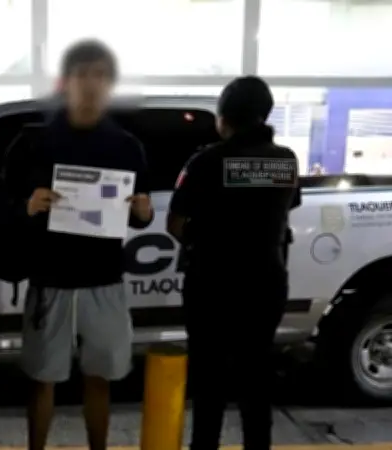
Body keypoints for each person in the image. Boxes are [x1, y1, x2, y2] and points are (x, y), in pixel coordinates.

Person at [0, 40, 153, 450]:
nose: (90, 83)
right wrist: (27, 205)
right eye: (82, 74)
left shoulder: (126, 147)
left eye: (99, 75)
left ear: (110, 83)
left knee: (100, 378)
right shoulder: (33, 143)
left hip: (104, 279)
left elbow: (140, 212)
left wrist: (143, 213)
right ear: (66, 82)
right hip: (50, 280)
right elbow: (1, 202)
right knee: (42, 379)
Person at [166, 76, 302, 450]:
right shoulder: (285, 160)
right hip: (266, 284)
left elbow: (175, 223)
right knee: (255, 381)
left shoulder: (205, 161)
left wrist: (202, 239)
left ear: (223, 117)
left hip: (212, 285)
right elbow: (286, 207)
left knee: (209, 383)